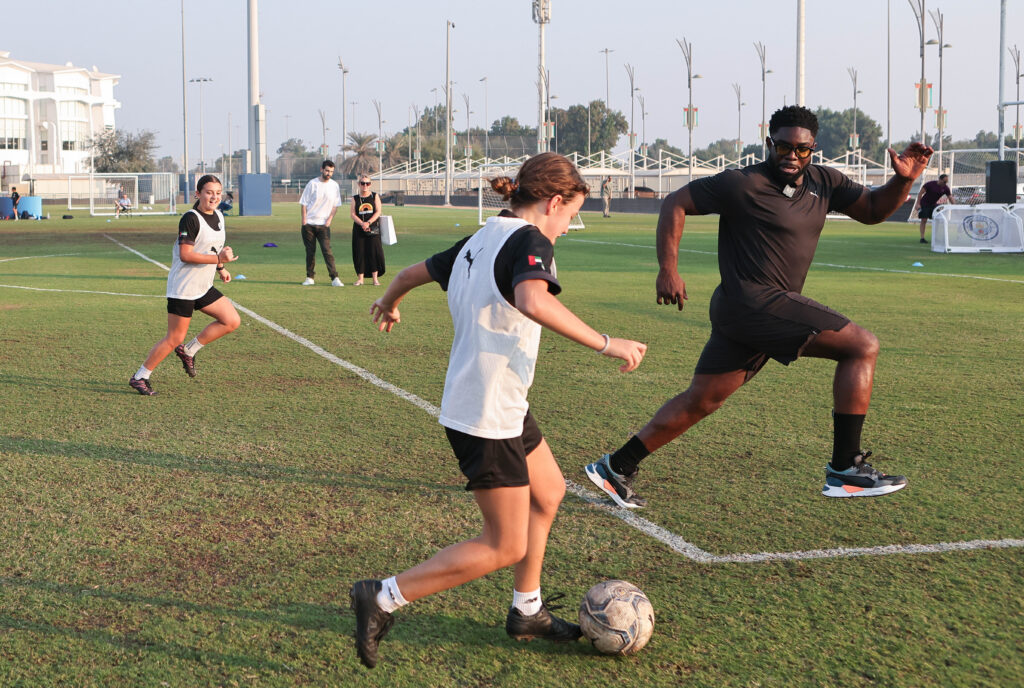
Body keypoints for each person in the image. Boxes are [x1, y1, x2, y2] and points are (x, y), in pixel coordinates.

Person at [350, 152, 647, 669]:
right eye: (570, 215)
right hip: (487, 412)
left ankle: (527, 609)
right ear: (554, 202)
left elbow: (409, 272)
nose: (567, 227)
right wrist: (607, 342)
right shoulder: (530, 240)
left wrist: (391, 300)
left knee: (548, 491)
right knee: (504, 544)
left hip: (501, 401)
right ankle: (383, 596)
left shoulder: (483, 236)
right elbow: (533, 301)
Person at [584, 105, 933, 507]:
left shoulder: (825, 181)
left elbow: (872, 211)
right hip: (752, 302)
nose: (792, 156)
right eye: (783, 147)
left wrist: (902, 180)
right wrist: (668, 269)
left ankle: (616, 466)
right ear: (769, 143)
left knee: (703, 399)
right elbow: (676, 202)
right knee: (862, 345)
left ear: (813, 149)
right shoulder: (742, 183)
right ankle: (845, 468)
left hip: (755, 312)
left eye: (801, 149)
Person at [128, 174, 240, 396]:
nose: (214, 197)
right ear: (198, 194)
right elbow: (186, 255)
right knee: (174, 338)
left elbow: (213, 247)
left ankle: (189, 351)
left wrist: (221, 268)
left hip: (203, 285)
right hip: (183, 288)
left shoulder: (219, 215)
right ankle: (140, 377)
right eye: (209, 192)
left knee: (231, 321)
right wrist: (219, 260)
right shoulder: (190, 219)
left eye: (218, 193)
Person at [300, 160, 345, 287]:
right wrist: (304, 221)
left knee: (327, 251)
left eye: (331, 171)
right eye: (327, 171)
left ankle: (335, 278)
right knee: (310, 252)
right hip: (309, 224)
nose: (329, 173)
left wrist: (329, 220)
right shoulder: (312, 184)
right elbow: (304, 203)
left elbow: (335, 206)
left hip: (324, 225)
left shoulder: (334, 186)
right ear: (322, 170)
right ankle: (309, 277)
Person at [350, 176, 385, 286]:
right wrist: (362, 223)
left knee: (373, 252)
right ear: (359, 184)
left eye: (367, 183)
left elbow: (378, 211)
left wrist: (368, 223)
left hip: (373, 228)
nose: (365, 185)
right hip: (359, 229)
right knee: (360, 253)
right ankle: (360, 279)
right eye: (362, 183)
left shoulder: (374, 196)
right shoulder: (355, 198)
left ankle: (375, 279)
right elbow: (352, 214)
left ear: (370, 184)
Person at [916, 173, 953, 243]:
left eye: (946, 182)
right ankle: (922, 238)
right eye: (944, 182)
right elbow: (920, 193)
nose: (945, 183)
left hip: (933, 205)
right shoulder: (930, 184)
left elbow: (950, 198)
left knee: (938, 219)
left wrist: (955, 206)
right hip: (924, 204)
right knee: (924, 220)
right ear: (940, 179)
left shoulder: (945, 188)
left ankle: (935, 237)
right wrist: (918, 204)